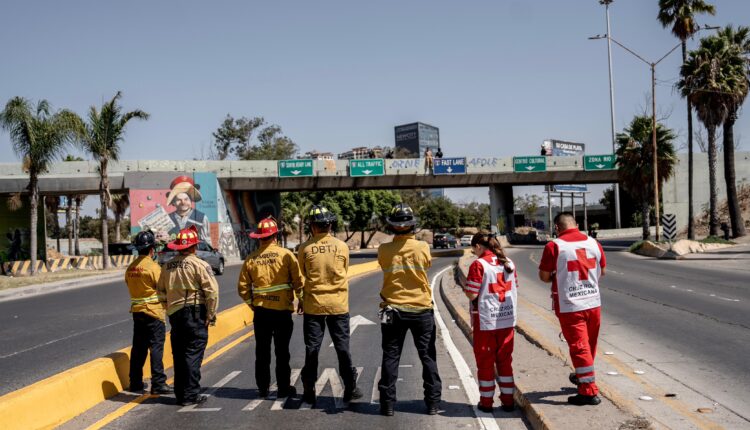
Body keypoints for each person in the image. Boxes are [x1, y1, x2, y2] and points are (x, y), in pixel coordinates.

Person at [377, 203, 441, 416]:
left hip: (392, 310)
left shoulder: (383, 250)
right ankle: (432, 403)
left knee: (390, 356)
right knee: (428, 357)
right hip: (421, 309)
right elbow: (427, 265)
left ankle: (387, 404)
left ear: (391, 226)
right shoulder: (422, 247)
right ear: (413, 225)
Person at [538, 212, 606, 406]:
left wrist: (559, 278)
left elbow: (543, 277)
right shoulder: (594, 244)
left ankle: (588, 391)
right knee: (589, 345)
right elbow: (602, 271)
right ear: (576, 224)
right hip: (593, 303)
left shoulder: (554, 246)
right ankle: (582, 376)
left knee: (579, 347)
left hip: (570, 306)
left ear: (557, 228)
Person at [298, 205, 362, 405]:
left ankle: (309, 389)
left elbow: (303, 275)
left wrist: (301, 298)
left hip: (313, 306)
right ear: (330, 225)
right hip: (338, 306)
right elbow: (344, 269)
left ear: (312, 226)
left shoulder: (304, 248)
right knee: (343, 348)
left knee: (312, 349)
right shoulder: (342, 246)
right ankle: (350, 388)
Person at [238, 216, 304, 399]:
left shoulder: (251, 259)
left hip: (261, 312)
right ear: (275, 236)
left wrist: (253, 303)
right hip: (282, 311)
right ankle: (283, 388)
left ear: (259, 237)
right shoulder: (286, 255)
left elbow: (242, 287)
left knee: (262, 352)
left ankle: (263, 388)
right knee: (282, 352)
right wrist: (302, 300)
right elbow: (299, 281)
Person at [157, 225, 219, 406]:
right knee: (193, 354)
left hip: (175, 315)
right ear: (193, 247)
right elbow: (212, 291)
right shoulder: (199, 264)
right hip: (195, 314)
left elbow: (160, 292)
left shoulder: (167, 266)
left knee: (179, 354)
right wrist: (211, 314)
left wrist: (167, 307)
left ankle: (180, 394)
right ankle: (191, 395)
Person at [463, 232, 517, 413]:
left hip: (486, 321)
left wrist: (467, 286)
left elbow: (472, 294)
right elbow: (514, 286)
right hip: (507, 320)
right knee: (505, 361)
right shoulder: (509, 263)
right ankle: (508, 402)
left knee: (485, 363)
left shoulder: (478, 265)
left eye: (473, 249)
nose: (473, 252)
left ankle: (486, 403)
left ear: (479, 246)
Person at [124, 230, 172, 395]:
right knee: (156, 347)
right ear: (152, 249)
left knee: (138, 348)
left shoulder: (130, 268)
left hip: (137, 313)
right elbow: (163, 288)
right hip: (154, 313)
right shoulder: (153, 267)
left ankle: (135, 382)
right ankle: (158, 383)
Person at [166, 175, 210, 241]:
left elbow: (206, 243)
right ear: (173, 202)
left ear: (191, 200)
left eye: (186, 199)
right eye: (179, 200)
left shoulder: (201, 218)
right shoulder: (167, 219)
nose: (183, 202)